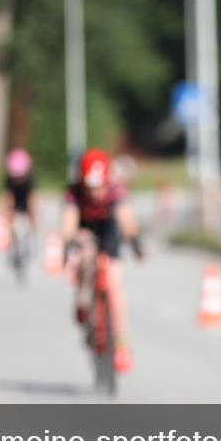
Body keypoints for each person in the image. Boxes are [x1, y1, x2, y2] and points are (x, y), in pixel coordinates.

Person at [61, 148, 142, 373]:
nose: (95, 192)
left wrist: (135, 241)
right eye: (90, 187)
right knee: (85, 255)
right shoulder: (74, 193)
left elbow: (126, 220)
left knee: (114, 281)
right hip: (85, 230)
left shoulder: (116, 191)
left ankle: (121, 345)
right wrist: (69, 243)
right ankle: (81, 300)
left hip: (108, 232)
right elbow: (68, 224)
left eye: (99, 186)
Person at [0, 148, 38, 234]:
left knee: (32, 214)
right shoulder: (9, 181)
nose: (18, 180)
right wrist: (5, 212)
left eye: (20, 177)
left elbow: (32, 199)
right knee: (8, 213)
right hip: (14, 202)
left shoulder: (29, 181)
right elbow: (5, 197)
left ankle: (30, 235)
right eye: (15, 177)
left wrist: (33, 219)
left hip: (26, 202)